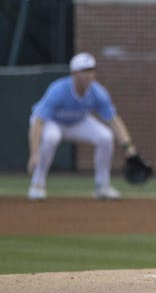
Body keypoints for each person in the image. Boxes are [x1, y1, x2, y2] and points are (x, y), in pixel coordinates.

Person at [26, 53, 138, 200]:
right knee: (52, 137)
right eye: (84, 71)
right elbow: (38, 122)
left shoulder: (98, 92)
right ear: (74, 73)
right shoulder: (59, 90)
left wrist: (128, 146)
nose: (88, 75)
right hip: (51, 123)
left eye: (91, 71)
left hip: (77, 122)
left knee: (105, 137)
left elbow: (114, 121)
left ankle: (102, 186)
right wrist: (35, 153)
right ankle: (37, 184)